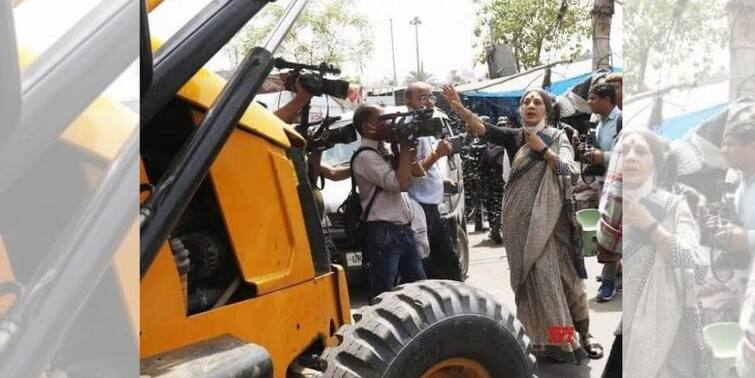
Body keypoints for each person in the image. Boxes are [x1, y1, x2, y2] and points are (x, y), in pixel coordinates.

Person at [442, 84, 602, 362]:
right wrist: (458, 108)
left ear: (547, 110)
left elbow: (571, 172)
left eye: (536, 102)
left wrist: (544, 151)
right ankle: (547, 340)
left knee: (567, 283)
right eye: (526, 101)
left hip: (555, 224)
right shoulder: (515, 137)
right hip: (519, 224)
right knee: (535, 284)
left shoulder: (558, 137)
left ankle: (582, 334)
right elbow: (484, 128)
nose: (530, 105)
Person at [620, 129, 710, 377]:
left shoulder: (674, 206)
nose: (630, 157)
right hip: (625, 330)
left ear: (655, 163)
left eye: (640, 151)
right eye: (624, 151)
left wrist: (650, 226)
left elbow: (698, 264)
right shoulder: (612, 206)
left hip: (666, 333)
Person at [350, 104, 426, 300]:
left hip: (402, 231)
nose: (391, 124)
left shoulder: (384, 152)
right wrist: (402, 147)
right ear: (369, 127)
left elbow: (418, 175)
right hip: (384, 233)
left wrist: (409, 153)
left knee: (419, 291)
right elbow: (400, 184)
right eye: (384, 120)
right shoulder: (365, 157)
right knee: (383, 294)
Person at [404, 82, 462, 281]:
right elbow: (413, 172)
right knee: (427, 266)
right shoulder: (410, 130)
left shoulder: (428, 125)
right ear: (409, 101)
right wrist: (437, 154)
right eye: (422, 98)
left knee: (449, 264)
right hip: (419, 210)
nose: (428, 102)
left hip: (433, 207)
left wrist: (442, 182)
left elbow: (428, 171)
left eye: (431, 97)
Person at [587, 83, 623, 302]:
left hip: (621, 185)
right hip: (604, 182)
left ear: (607, 100)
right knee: (608, 231)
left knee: (611, 231)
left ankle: (609, 280)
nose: (589, 102)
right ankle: (613, 273)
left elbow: (627, 152)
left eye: (593, 98)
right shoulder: (598, 123)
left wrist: (603, 156)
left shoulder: (621, 121)